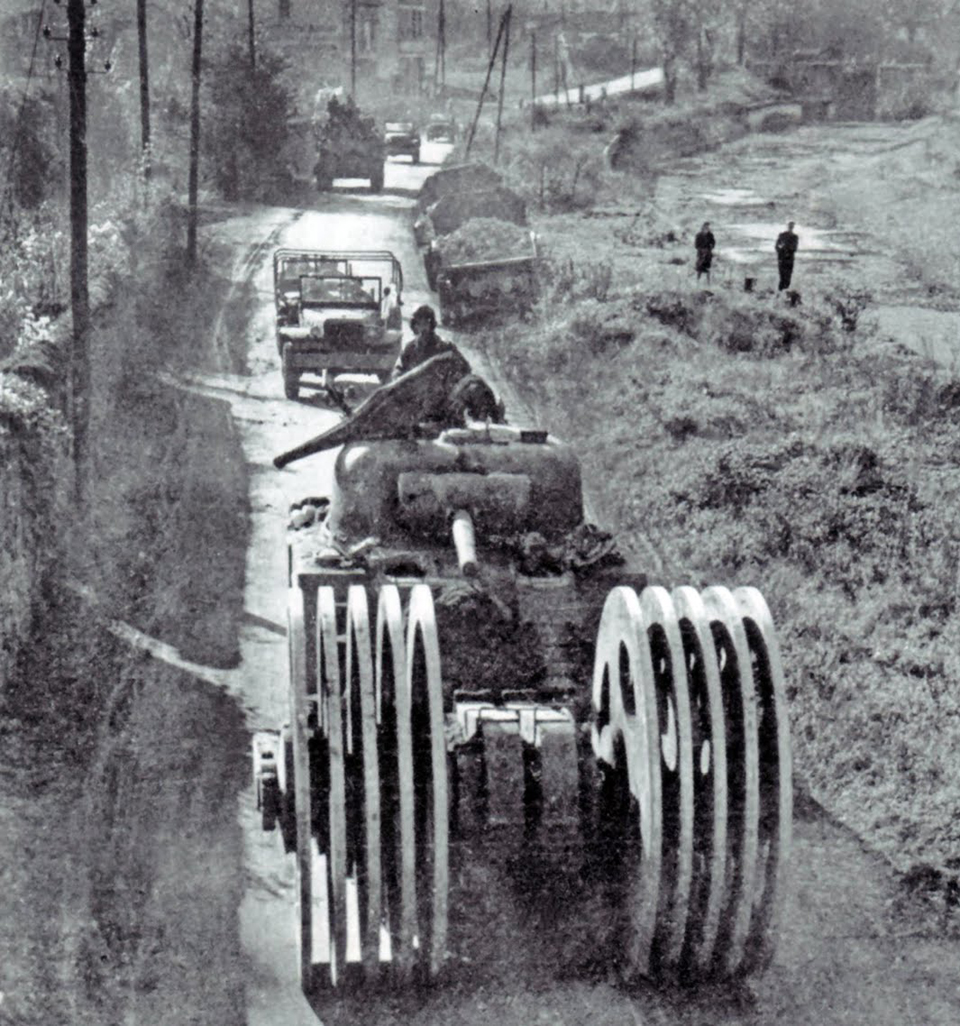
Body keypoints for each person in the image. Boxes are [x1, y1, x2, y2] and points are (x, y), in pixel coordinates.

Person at [391, 304, 467, 380]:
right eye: (418, 324)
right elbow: (398, 369)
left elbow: (464, 368)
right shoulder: (410, 348)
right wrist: (397, 376)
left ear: (431, 325)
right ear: (414, 326)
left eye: (425, 323)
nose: (422, 328)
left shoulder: (445, 346)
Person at [775, 221, 799, 292]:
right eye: (790, 225)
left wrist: (788, 250)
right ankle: (780, 293)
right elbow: (776, 246)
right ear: (788, 226)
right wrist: (781, 251)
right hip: (782, 258)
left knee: (788, 278)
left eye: (792, 226)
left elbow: (795, 248)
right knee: (782, 277)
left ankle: (784, 294)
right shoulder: (782, 235)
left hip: (789, 259)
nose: (791, 227)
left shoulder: (795, 237)